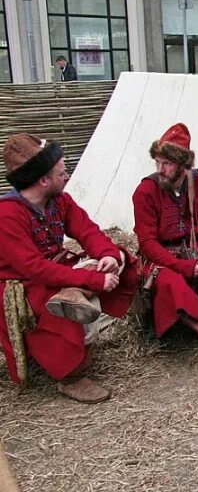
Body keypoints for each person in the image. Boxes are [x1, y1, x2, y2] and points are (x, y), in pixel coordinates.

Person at [0, 134, 138, 402]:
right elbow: (33, 268)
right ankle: (70, 376)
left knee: (122, 258)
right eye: (61, 172)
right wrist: (91, 280)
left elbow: (87, 231)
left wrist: (107, 254)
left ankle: (80, 306)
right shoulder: (7, 215)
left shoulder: (60, 200)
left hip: (56, 266)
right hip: (22, 281)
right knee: (50, 301)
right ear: (43, 180)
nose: (67, 176)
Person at [132, 123, 198, 376]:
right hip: (164, 258)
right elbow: (147, 243)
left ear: (181, 164)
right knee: (171, 283)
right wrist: (183, 265)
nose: (160, 169)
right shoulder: (145, 191)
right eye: (157, 162)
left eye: (166, 163)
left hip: (197, 251)